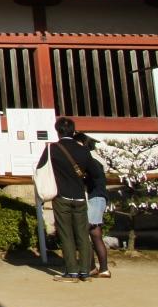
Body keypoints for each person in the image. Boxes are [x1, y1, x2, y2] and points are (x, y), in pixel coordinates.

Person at [38, 117, 105, 282]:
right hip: (80, 197)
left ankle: (72, 272)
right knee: (82, 234)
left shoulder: (52, 149)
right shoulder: (83, 150)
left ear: (57, 131)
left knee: (66, 234)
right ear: (73, 131)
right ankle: (85, 271)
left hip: (61, 196)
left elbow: (40, 168)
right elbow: (96, 173)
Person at [78, 133, 112, 278]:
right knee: (95, 234)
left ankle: (92, 267)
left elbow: (93, 179)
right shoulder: (97, 158)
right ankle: (102, 269)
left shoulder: (92, 160)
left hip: (95, 198)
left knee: (84, 231)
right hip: (97, 198)